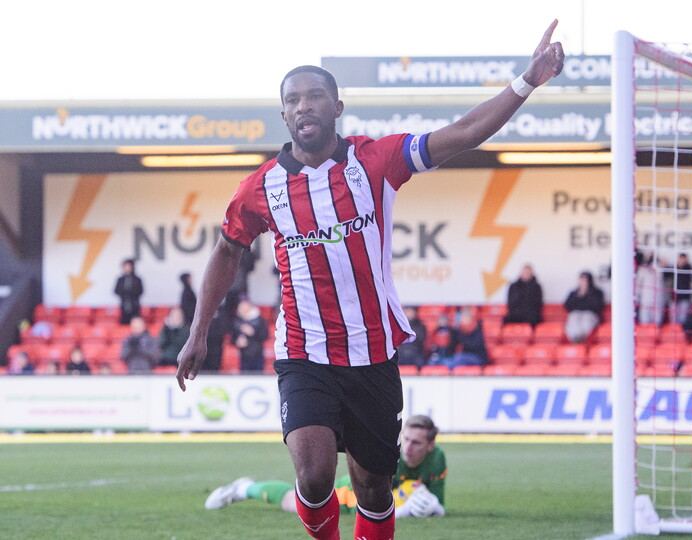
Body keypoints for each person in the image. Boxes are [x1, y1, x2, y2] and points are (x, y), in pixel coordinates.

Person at [176, 22, 564, 540]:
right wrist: (199, 331)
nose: (304, 106)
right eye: (293, 99)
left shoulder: (376, 161)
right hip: (305, 351)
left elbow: (465, 132)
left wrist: (526, 82)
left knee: (374, 490)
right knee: (313, 478)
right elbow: (227, 250)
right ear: (284, 112)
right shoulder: (260, 188)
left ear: (337, 107)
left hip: (373, 354)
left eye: (316, 96)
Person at [204, 415, 447, 519]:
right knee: (295, 503)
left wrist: (436, 508)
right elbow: (370, 502)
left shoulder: (438, 458)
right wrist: (402, 511)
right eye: (406, 439)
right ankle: (245, 488)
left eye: (416, 443)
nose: (408, 447)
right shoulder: (392, 455)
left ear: (430, 445)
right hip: (351, 489)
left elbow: (437, 501)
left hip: (382, 495)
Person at [563, 271, 605, 343]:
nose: (582, 282)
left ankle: (581, 337)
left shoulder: (597, 292)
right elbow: (568, 306)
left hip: (591, 314)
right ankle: (574, 337)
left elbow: (597, 306)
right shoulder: (574, 293)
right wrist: (580, 295)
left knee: (587, 318)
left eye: (584, 280)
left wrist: (586, 295)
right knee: (573, 317)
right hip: (576, 314)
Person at [233, 300, 269, 373]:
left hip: (257, 354)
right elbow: (232, 338)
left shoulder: (259, 320)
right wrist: (237, 342)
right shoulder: (237, 321)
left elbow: (265, 336)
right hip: (243, 355)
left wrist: (253, 332)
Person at [663, 253, 692, 326]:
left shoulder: (689, 268)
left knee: (682, 319)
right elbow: (665, 275)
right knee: (673, 319)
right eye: (681, 259)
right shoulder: (674, 268)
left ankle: (680, 335)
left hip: (685, 297)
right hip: (674, 297)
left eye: (684, 259)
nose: (682, 261)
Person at [114, 258, 144, 325]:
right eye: (125, 266)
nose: (127, 268)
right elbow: (116, 291)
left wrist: (131, 293)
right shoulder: (120, 279)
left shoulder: (137, 279)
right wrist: (125, 294)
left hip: (135, 306)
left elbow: (140, 291)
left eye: (129, 266)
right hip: (123, 306)